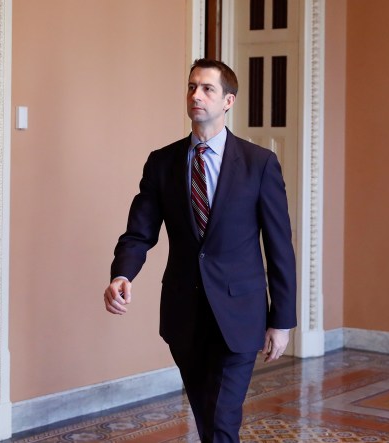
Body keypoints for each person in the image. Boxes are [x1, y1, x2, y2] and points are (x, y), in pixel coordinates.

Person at [103, 58, 296, 443]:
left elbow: (279, 246)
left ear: (228, 100)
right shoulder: (162, 163)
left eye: (207, 88)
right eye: (192, 87)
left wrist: (282, 319)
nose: (196, 95)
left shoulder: (260, 164)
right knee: (208, 420)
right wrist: (121, 274)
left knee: (222, 421)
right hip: (184, 315)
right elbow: (139, 233)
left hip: (241, 316)